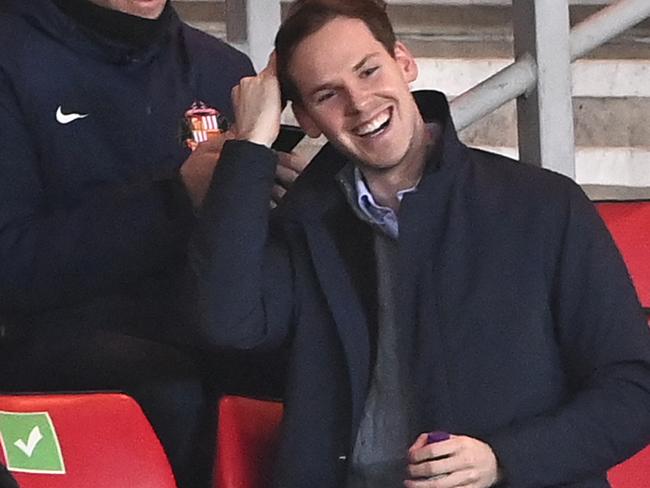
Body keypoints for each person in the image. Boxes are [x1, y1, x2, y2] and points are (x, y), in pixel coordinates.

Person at [189, 0, 650, 486]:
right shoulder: (307, 223)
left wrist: (503, 460)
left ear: (404, 62)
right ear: (304, 118)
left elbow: (635, 390)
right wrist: (250, 148)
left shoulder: (542, 205)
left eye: (368, 71)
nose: (360, 103)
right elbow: (226, 323)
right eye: (328, 95)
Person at [0, 0, 303, 486]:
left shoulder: (221, 68)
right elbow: (11, 266)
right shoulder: (12, 52)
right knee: (171, 385)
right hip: (58, 336)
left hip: (206, 324)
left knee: (320, 359)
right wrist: (178, 196)